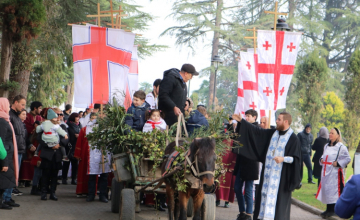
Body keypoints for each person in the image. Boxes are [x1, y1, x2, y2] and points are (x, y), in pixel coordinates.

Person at [232, 111, 302, 220]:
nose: (276, 121)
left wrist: (283, 158)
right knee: (262, 203)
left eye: (279, 119)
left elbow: (297, 159)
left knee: (277, 209)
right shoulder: (273, 133)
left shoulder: (293, 139)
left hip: (281, 179)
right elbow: (257, 132)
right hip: (267, 177)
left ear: (286, 121)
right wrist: (242, 121)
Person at [75, 113, 111, 202]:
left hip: (104, 154)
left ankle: (102, 195)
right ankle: (91, 195)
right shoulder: (89, 128)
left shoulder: (108, 128)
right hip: (93, 155)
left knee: (104, 175)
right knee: (92, 175)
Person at [316, 128, 351, 218]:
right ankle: (328, 210)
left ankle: (335, 210)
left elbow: (348, 158)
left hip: (335, 173)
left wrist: (338, 163)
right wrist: (321, 159)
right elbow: (323, 155)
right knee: (327, 190)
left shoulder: (341, 147)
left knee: (334, 191)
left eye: (332, 133)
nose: (330, 134)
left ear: (337, 135)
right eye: (330, 133)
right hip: (326, 172)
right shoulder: (326, 146)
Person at [233, 109, 259, 220]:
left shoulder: (257, 129)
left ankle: (249, 214)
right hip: (241, 162)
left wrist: (242, 122)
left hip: (251, 163)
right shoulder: (244, 125)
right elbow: (237, 137)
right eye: (246, 116)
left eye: (249, 116)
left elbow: (251, 135)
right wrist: (239, 123)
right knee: (237, 188)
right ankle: (242, 211)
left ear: (255, 117)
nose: (247, 118)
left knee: (248, 189)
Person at [38, 108, 68, 201]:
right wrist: (49, 145)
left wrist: (59, 144)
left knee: (55, 175)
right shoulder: (45, 125)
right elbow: (39, 137)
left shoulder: (62, 126)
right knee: (45, 174)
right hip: (47, 153)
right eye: (57, 114)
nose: (59, 117)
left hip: (57, 154)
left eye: (61, 114)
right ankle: (43, 192)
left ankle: (53, 193)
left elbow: (66, 138)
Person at [0, 98, 19, 209]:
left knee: (4, 181)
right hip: (4, 156)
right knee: (2, 181)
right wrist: (4, 162)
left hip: (6, 154)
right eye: (7, 105)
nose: (8, 108)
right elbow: (0, 142)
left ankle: (3, 201)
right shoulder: (2, 121)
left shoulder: (4, 119)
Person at [74, 113, 97, 197]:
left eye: (95, 118)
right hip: (84, 154)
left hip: (94, 155)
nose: (94, 120)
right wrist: (78, 155)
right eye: (92, 118)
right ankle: (81, 191)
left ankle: (91, 192)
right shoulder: (84, 130)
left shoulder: (98, 130)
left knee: (93, 174)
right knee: (83, 172)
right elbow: (79, 142)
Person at [9, 95, 26, 196]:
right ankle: (6, 196)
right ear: (16, 102)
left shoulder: (16, 116)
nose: (23, 106)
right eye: (22, 104)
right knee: (11, 173)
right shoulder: (10, 115)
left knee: (15, 174)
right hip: (13, 149)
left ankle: (9, 195)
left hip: (19, 148)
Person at [215, 139, 236, 208]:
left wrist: (232, 166)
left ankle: (227, 202)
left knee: (229, 185)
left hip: (230, 169)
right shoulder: (222, 141)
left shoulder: (235, 143)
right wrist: (219, 164)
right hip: (222, 167)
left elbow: (236, 155)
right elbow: (218, 153)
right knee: (219, 184)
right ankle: (218, 200)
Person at [62, 113, 81, 185]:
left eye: (78, 117)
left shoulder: (79, 125)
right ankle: (64, 178)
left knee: (75, 164)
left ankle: (74, 178)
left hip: (76, 146)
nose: (78, 118)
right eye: (77, 117)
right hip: (69, 146)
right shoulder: (68, 126)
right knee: (66, 163)